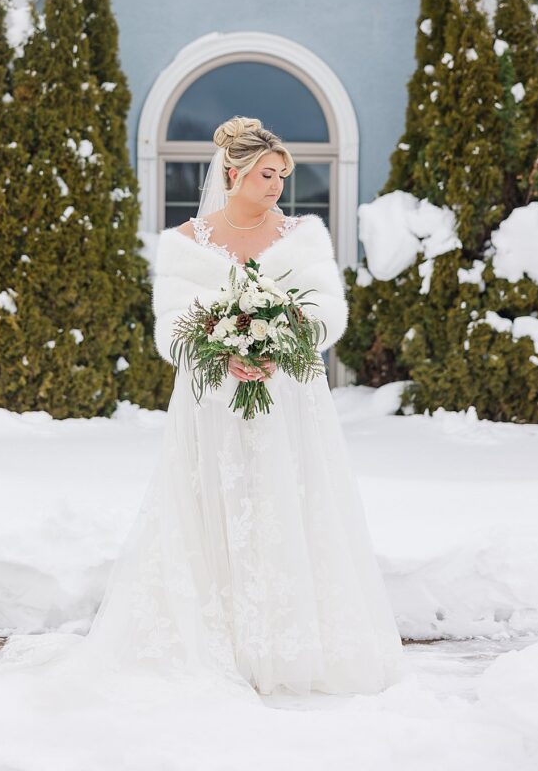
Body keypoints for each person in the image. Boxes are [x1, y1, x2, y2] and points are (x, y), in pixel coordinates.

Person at [62, 115, 405, 699]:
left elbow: (330, 314)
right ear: (232, 172)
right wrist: (220, 355)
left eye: (280, 175)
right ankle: (218, 642)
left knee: (285, 502)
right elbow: (170, 331)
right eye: (265, 174)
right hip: (212, 404)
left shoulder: (304, 237)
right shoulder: (184, 245)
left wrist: (284, 341)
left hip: (289, 400)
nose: (275, 185)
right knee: (216, 505)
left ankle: (290, 646)